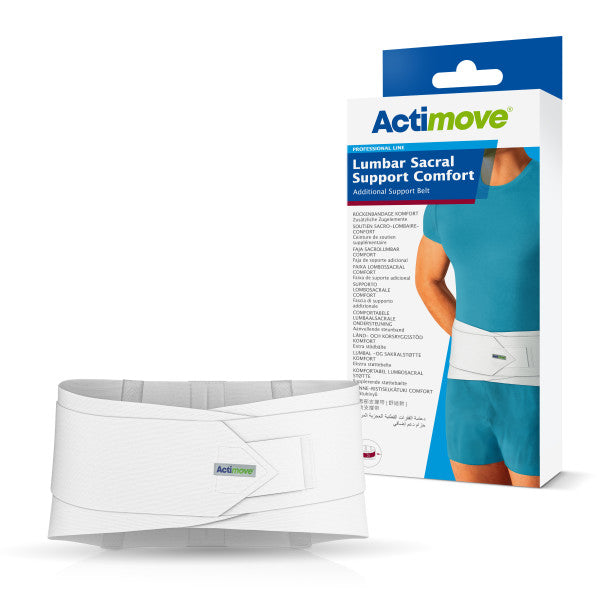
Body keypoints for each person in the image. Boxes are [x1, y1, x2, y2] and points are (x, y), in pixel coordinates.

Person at [415, 148, 540, 487]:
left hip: (534, 390)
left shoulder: (553, 189)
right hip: (465, 392)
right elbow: (428, 280)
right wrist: (482, 348)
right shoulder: (446, 194)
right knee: (478, 514)